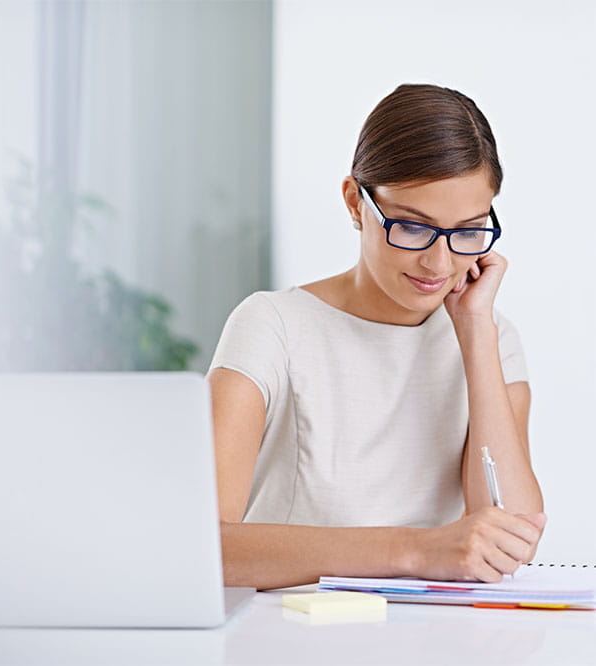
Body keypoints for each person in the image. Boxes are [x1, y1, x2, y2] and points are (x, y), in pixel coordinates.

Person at [207, 83, 546, 591]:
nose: (440, 263)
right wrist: (415, 549)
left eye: (468, 231)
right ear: (355, 203)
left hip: (435, 637)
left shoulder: (493, 339)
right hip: (292, 633)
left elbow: (510, 535)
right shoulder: (272, 325)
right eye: (412, 227)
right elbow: (205, 546)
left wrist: (476, 334)